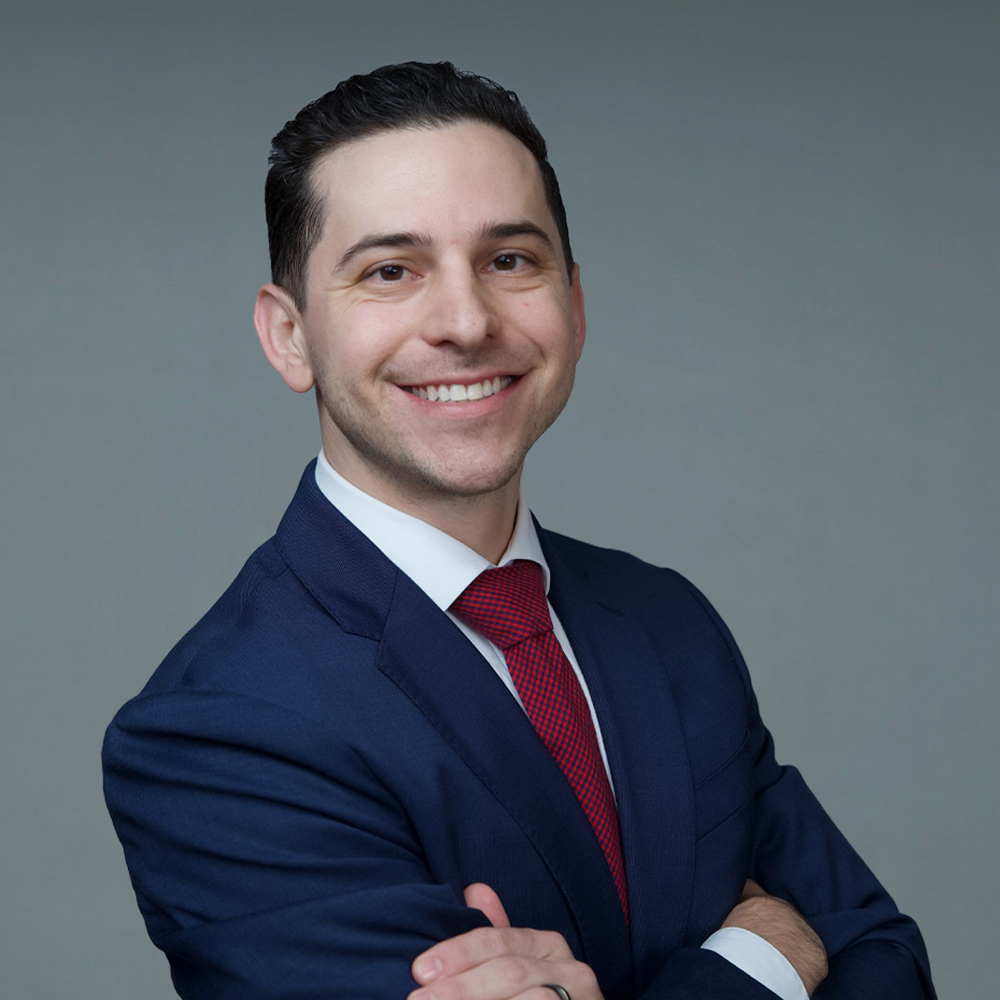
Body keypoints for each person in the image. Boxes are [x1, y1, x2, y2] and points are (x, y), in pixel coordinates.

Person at [103, 62, 935, 1000]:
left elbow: (886, 958)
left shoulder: (667, 624)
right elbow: (822, 937)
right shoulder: (220, 733)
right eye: (390, 271)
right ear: (290, 336)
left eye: (508, 260)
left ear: (573, 306)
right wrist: (766, 953)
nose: (466, 322)